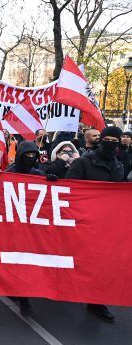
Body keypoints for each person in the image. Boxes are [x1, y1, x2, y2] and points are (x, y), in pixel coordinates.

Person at [67, 126, 124, 323]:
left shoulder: (118, 166)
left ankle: (96, 301)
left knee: (102, 263)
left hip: (106, 224)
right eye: (106, 139)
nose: (110, 143)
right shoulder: (84, 162)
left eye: (114, 140)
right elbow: (70, 188)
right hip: (84, 220)